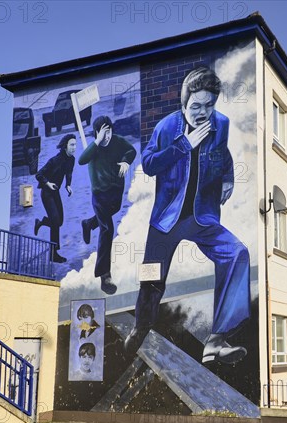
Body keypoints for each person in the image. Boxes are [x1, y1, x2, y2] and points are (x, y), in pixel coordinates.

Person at [124, 66, 250, 365]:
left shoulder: (221, 124)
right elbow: (150, 163)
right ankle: (142, 326)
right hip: (166, 220)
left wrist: (229, 177)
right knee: (152, 280)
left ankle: (217, 341)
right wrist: (185, 145)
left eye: (209, 105)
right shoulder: (167, 128)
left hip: (200, 216)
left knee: (237, 253)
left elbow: (223, 153)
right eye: (196, 107)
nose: (203, 112)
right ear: (184, 105)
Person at [79, 116, 136, 294]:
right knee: (107, 229)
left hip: (115, 193)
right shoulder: (93, 149)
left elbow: (131, 150)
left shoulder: (118, 141)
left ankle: (88, 223)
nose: (107, 136)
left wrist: (126, 161)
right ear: (97, 133)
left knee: (115, 211)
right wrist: (96, 141)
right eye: (104, 133)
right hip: (100, 196)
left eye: (109, 131)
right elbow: (81, 159)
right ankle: (105, 276)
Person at [34, 134, 76, 263]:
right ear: (65, 147)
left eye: (75, 144)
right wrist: (47, 183)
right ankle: (54, 253)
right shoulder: (54, 160)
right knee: (56, 222)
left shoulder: (71, 159)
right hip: (47, 193)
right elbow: (39, 174)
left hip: (55, 192)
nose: (74, 147)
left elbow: (69, 173)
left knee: (60, 221)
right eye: (72, 145)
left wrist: (68, 185)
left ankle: (41, 222)